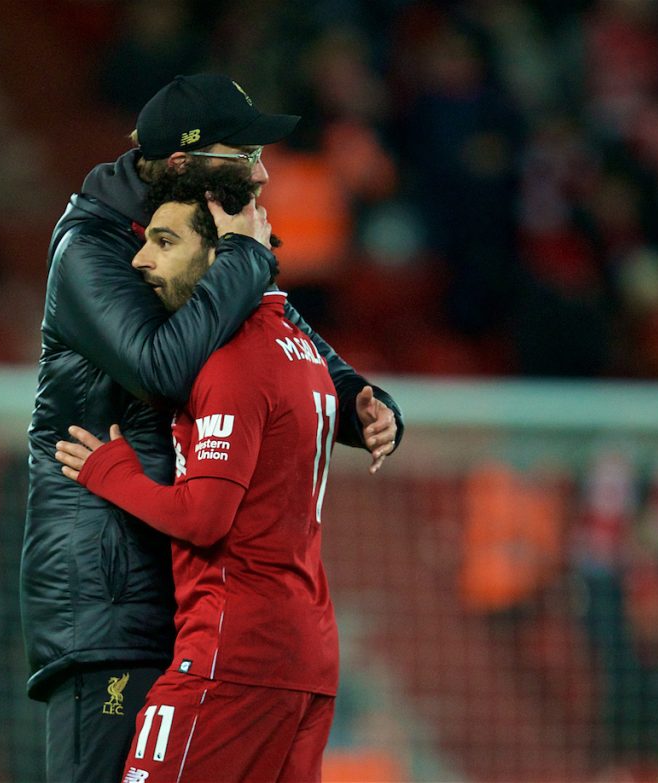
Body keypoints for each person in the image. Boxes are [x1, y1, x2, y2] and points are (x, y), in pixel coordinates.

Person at [22, 73, 403, 783]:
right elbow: (162, 367)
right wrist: (246, 257)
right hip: (113, 601)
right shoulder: (93, 249)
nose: (260, 171)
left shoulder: (209, 248)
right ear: (180, 164)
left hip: (194, 595)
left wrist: (358, 400)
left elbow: (277, 334)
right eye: (242, 153)